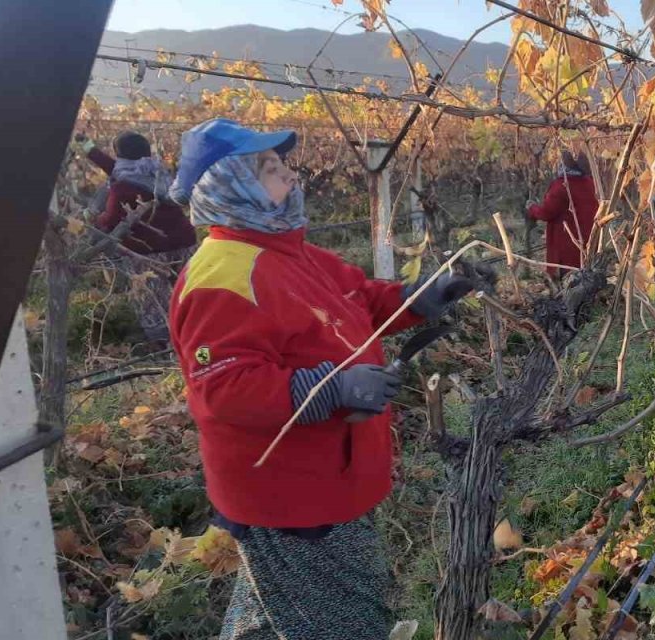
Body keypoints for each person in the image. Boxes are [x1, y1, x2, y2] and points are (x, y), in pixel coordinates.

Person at [166, 118, 471, 639]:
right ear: (230, 183)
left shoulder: (289, 251)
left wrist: (420, 298)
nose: (291, 176)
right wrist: (334, 388)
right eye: (271, 168)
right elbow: (223, 389)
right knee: (341, 620)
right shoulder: (223, 275)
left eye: (283, 163)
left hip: (326, 475)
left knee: (283, 603)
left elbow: (360, 300)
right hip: (291, 493)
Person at [75, 131, 198, 345]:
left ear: (121, 156)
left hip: (149, 251)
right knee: (192, 288)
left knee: (152, 298)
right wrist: (88, 148)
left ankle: (164, 343)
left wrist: (92, 219)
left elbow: (111, 220)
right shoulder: (156, 170)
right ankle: (200, 329)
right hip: (184, 241)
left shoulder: (122, 187)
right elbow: (114, 167)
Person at [527, 150, 598, 276]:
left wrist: (532, 208)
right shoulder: (590, 183)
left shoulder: (561, 186)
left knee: (567, 280)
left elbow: (546, 213)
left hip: (566, 245)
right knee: (585, 277)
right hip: (588, 241)